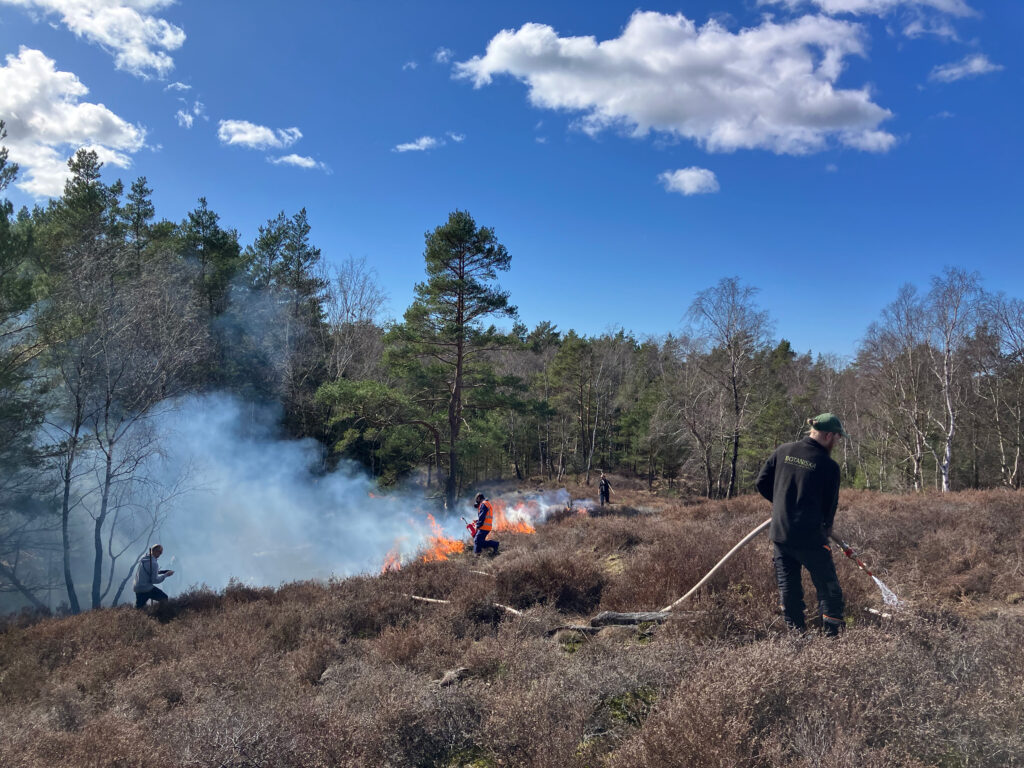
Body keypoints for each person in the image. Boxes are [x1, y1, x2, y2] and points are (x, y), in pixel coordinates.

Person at [756, 413, 847, 637]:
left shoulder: (783, 451)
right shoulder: (828, 466)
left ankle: (796, 637)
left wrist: (783, 506)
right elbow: (830, 506)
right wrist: (825, 527)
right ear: (828, 435)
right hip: (811, 538)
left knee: (789, 589)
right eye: (837, 437)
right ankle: (833, 639)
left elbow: (761, 482)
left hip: (781, 534)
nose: (837, 442)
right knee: (829, 589)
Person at [133, 544, 173, 609]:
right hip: (146, 588)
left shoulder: (143, 558)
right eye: (160, 552)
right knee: (164, 598)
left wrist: (163, 572)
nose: (160, 554)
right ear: (154, 551)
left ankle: (130, 615)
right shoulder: (154, 563)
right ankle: (161, 614)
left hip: (137, 587)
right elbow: (154, 580)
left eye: (161, 552)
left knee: (139, 609)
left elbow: (149, 572)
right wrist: (166, 575)